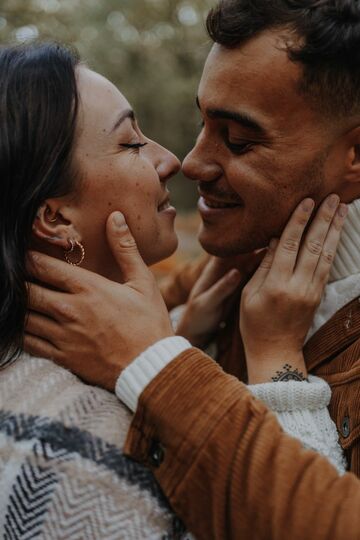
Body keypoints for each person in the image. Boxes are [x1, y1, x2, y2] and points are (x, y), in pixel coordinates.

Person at [23, 1, 360, 538]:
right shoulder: (237, 264)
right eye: (202, 122)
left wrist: (161, 364)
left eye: (239, 140)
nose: (189, 161)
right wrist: (178, 332)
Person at [0, 41, 196, 538]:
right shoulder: (80, 452)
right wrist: (275, 366)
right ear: (54, 217)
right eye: (132, 143)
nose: (171, 160)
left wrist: (183, 337)